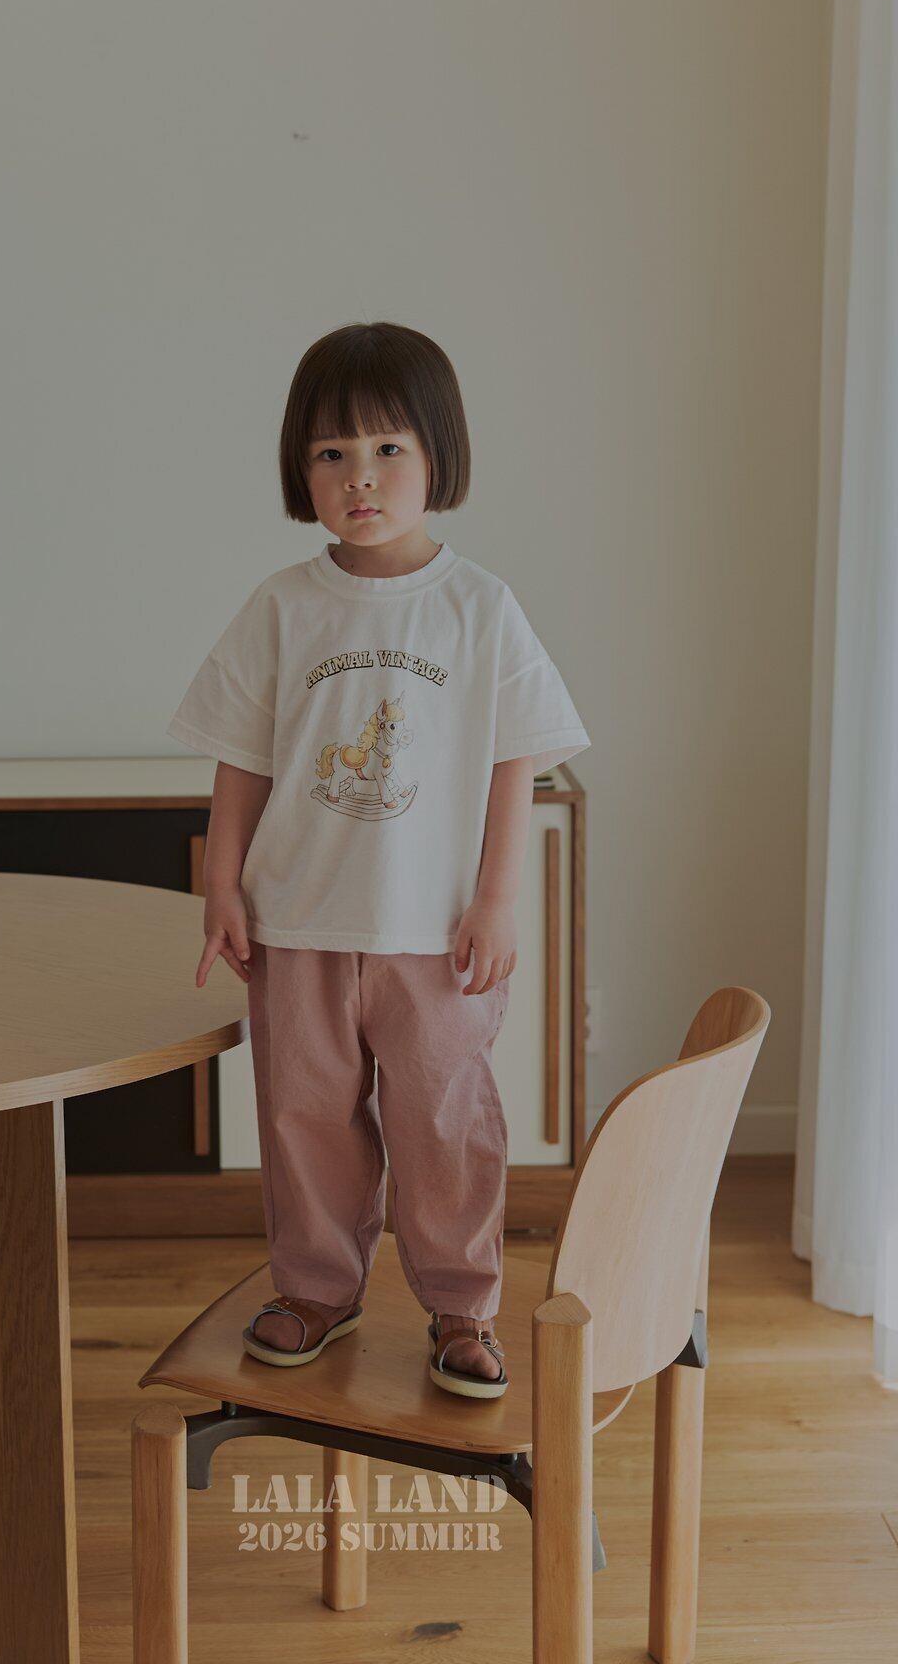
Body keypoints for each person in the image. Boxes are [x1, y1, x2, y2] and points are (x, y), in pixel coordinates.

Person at [166, 321, 589, 1398]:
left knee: (444, 1120)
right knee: (304, 1117)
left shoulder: (479, 607)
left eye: (387, 448)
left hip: (432, 934)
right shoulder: (283, 605)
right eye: (331, 453)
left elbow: (517, 760)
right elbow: (241, 755)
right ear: (299, 470)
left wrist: (498, 900)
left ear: (439, 454)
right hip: (298, 921)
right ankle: (317, 1289)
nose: (359, 476)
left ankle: (461, 1305)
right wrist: (221, 883)